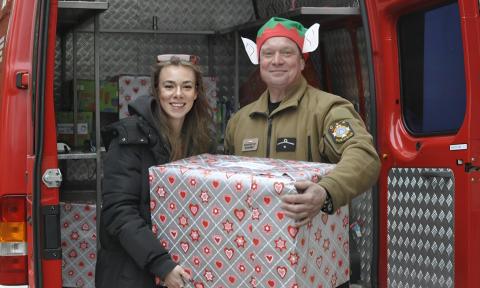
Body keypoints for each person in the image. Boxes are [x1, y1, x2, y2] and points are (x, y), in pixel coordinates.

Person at [225, 17, 381, 227]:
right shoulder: (239, 121)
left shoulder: (328, 110)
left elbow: (365, 157)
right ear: (259, 61)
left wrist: (326, 191)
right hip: (253, 240)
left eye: (287, 53)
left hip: (312, 242)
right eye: (268, 53)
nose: (276, 60)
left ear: (301, 61)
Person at [95, 55, 214, 288]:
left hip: (185, 268)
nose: (178, 94)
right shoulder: (129, 138)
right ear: (156, 91)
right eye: (169, 86)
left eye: (186, 86)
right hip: (132, 273)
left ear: (196, 93)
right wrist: (162, 265)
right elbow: (119, 213)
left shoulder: (202, 142)